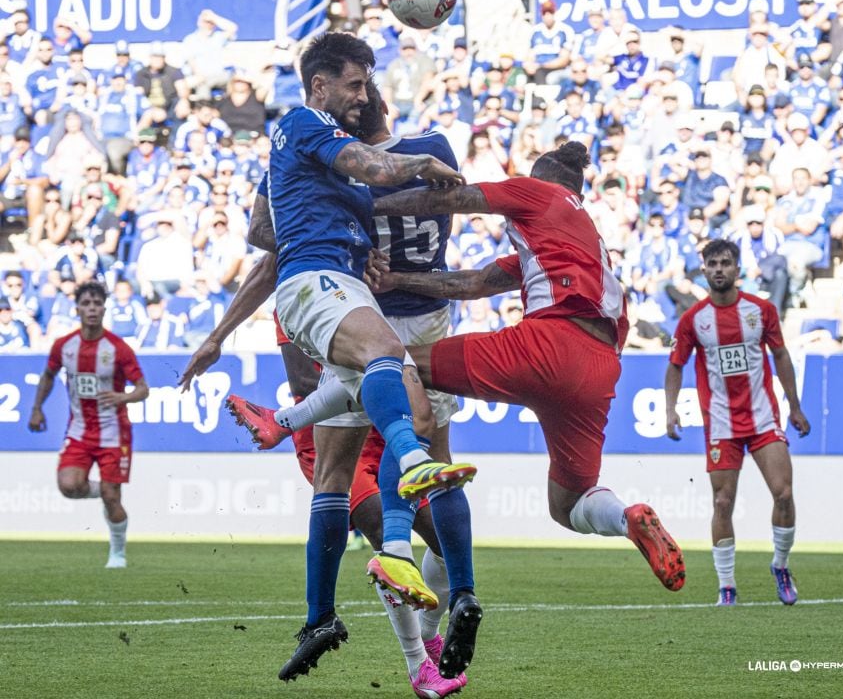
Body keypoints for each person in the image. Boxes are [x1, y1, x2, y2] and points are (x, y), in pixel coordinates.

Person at [280, 143, 686, 595]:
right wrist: (397, 281)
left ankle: (306, 440)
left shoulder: (538, 192)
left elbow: (450, 199)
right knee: (568, 505)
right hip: (600, 368)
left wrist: (364, 206)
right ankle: (627, 518)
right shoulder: (579, 241)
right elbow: (473, 283)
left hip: (549, 344)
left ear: (541, 178)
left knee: (388, 361)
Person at [215, 32, 476, 684]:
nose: (363, 96)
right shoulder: (307, 127)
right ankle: (404, 501)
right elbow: (275, 232)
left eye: (367, 87)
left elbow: (287, 220)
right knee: (398, 392)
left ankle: (329, 621)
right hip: (328, 296)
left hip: (348, 295)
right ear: (323, 85)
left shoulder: (336, 172)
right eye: (356, 84)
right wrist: (417, 166)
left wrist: (359, 245)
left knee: (338, 464)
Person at [664, 239, 810, 607]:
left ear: (737, 269)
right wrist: (670, 410)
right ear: (704, 270)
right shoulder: (694, 319)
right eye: (712, 264)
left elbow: (781, 355)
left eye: (725, 263)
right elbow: (675, 365)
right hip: (721, 424)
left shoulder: (761, 311)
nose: (718, 269)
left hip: (763, 418)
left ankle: (780, 565)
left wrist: (794, 407)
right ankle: (726, 586)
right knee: (723, 501)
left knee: (784, 494)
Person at [27, 281, 149, 568]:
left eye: (97, 304)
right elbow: (48, 376)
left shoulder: (118, 348)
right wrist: (37, 408)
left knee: (111, 497)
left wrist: (122, 397)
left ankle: (117, 553)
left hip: (114, 433)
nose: (92, 309)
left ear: (104, 309)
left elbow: (143, 389)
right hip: (79, 431)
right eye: (86, 304)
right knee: (69, 486)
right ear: (77, 309)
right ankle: (107, 491)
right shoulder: (64, 346)